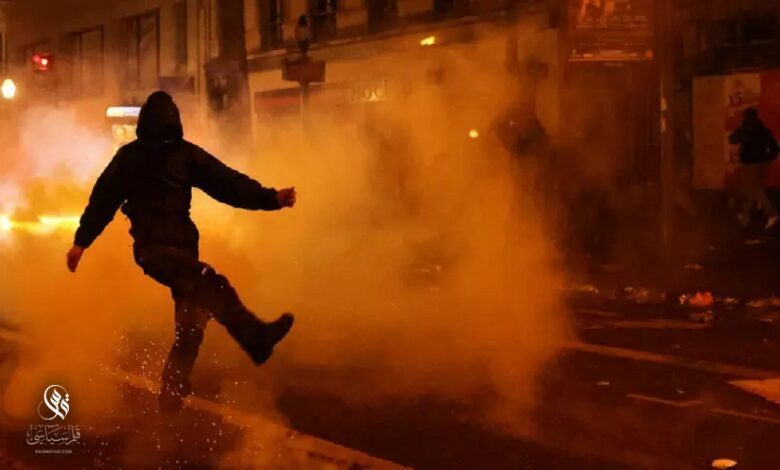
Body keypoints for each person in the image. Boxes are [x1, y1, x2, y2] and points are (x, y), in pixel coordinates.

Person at [66, 91, 296, 413]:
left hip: (180, 252)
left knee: (191, 327)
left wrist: (271, 198)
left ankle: (171, 393)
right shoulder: (148, 157)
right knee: (210, 283)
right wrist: (81, 241)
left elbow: (227, 183)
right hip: (156, 251)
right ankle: (256, 339)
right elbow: (103, 199)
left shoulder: (164, 156)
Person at [729, 107, 779, 229]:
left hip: (750, 164)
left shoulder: (745, 129)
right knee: (753, 190)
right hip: (763, 163)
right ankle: (745, 216)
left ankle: (771, 213)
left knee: (754, 189)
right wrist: (768, 158)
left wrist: (741, 126)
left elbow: (732, 139)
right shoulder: (763, 129)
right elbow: (774, 147)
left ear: (745, 117)